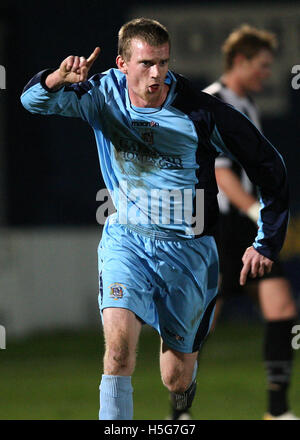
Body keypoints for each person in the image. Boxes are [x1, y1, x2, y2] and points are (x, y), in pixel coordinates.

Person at [21, 18, 289, 420]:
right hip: (126, 239)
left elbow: (270, 167)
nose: (156, 73)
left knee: (175, 377)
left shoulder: (200, 111)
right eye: (146, 63)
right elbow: (32, 102)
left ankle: (181, 403)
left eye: (163, 62)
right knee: (117, 353)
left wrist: (266, 240)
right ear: (122, 62)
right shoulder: (100, 93)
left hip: (188, 251)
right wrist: (58, 77)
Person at [200, 25, 298, 421]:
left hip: (244, 224)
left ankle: (278, 410)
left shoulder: (248, 104)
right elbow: (221, 174)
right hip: (217, 226)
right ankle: (179, 415)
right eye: (261, 65)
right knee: (201, 322)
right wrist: (261, 214)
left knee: (282, 307)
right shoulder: (211, 102)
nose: (266, 73)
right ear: (239, 61)